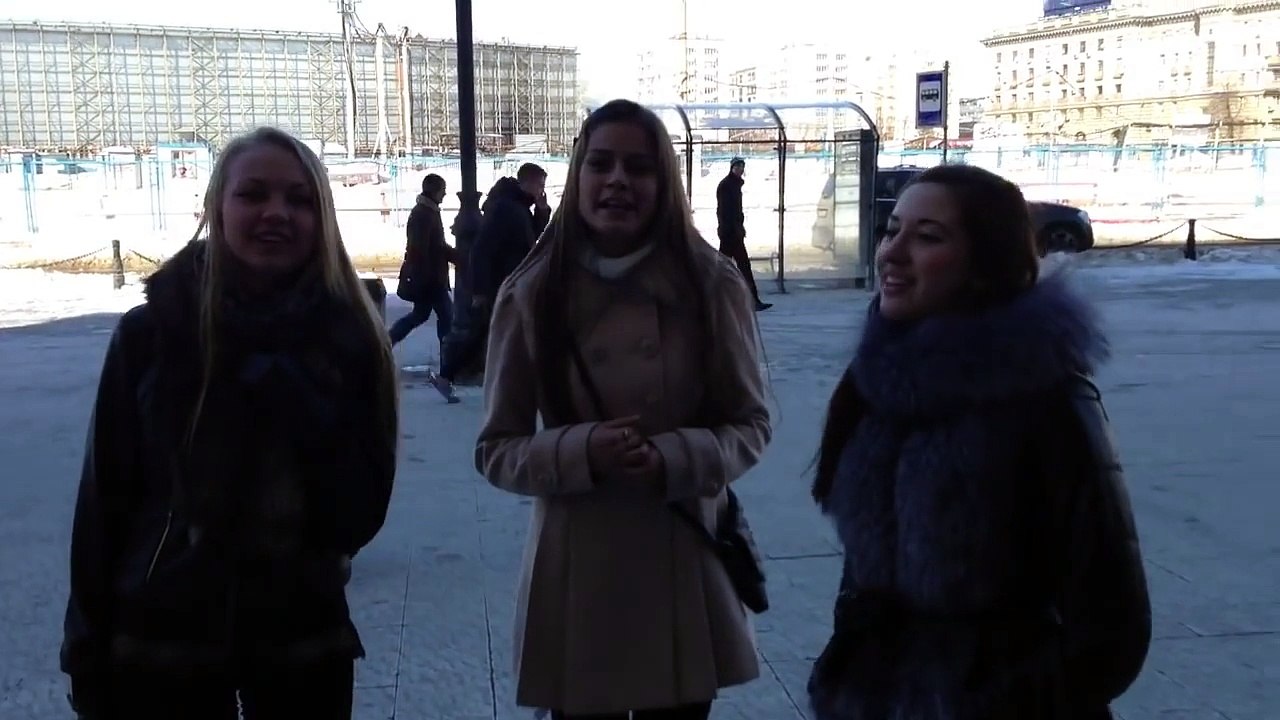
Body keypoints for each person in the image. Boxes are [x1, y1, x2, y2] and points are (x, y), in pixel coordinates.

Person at [60, 126, 400, 720]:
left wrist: (299, 399)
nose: (277, 213)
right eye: (254, 195)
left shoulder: (350, 341)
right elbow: (103, 505)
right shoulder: (150, 336)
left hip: (303, 640)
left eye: (299, 199)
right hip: (161, 637)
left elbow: (360, 513)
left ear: (322, 217)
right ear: (215, 205)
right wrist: (85, 648)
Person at [806, 164, 1151, 720]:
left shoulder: (1048, 399)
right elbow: (866, 573)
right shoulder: (879, 383)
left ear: (984, 264)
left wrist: (1012, 701)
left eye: (927, 237)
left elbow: (1113, 627)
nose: (892, 253)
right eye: (892, 230)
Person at [475, 99, 772, 719]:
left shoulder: (711, 285)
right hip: (580, 577)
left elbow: (751, 424)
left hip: (681, 569)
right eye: (601, 164)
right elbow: (495, 449)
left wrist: (675, 457)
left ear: (664, 183)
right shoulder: (531, 294)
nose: (617, 181)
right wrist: (579, 451)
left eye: (639, 168)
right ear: (576, 177)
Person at [430, 162, 550, 403]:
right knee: (493, 333)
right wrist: (481, 290)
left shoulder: (519, 207)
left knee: (485, 333)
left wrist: (542, 211)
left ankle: (447, 376)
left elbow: (530, 239)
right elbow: (482, 250)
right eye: (540, 185)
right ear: (528, 182)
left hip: (510, 283)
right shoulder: (507, 209)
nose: (541, 190)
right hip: (501, 285)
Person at [389, 173, 459, 351]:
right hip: (432, 279)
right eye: (443, 190)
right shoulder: (425, 214)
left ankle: (386, 342)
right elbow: (424, 248)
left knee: (420, 315)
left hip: (429, 279)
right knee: (446, 318)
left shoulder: (426, 211)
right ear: (435, 191)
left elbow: (432, 246)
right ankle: (447, 362)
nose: (444, 194)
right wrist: (456, 257)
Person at [715, 157, 771, 312]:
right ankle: (752, 300)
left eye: (742, 166)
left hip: (732, 232)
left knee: (725, 267)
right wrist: (732, 229)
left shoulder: (733, 185)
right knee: (738, 267)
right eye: (738, 166)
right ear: (732, 168)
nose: (740, 169)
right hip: (730, 233)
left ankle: (750, 300)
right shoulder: (727, 186)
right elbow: (724, 211)